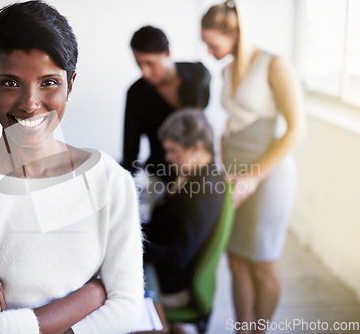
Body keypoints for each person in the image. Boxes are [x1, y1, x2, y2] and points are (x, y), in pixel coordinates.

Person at [0, 2, 144, 333]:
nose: (29, 103)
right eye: (11, 83)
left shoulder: (110, 180)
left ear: (71, 84)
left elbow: (128, 307)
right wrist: (94, 292)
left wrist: (18, 322)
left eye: (49, 82)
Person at [201, 1, 306, 333]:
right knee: (236, 259)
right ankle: (242, 329)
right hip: (235, 174)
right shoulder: (225, 70)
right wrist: (224, 158)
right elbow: (234, 120)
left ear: (234, 34)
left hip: (268, 176)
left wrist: (253, 177)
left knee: (263, 263)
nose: (208, 50)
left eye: (212, 43)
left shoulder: (274, 65)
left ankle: (258, 330)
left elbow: (296, 130)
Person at [143, 108, 224, 308]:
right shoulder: (191, 175)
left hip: (172, 286)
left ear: (197, 148)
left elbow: (177, 257)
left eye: (173, 151)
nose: (168, 158)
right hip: (162, 270)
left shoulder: (205, 191)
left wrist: (132, 244)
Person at [122, 25, 211, 183]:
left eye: (150, 63)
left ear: (167, 53)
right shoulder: (136, 93)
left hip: (199, 172)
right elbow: (130, 149)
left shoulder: (197, 75)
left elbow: (202, 128)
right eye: (139, 64)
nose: (145, 72)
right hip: (161, 176)